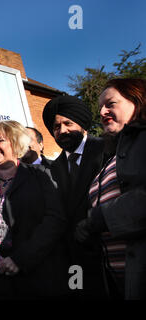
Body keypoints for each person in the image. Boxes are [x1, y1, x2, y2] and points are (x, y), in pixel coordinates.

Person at [0, 120, 68, 299]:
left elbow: (55, 220)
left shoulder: (40, 177)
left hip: (36, 275)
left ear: (16, 143)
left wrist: (20, 259)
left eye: (0, 140)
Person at [75, 78, 146, 300]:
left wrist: (100, 217)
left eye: (111, 104)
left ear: (137, 101)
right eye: (100, 108)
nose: (103, 112)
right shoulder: (110, 157)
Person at [42, 95, 107, 298]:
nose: (62, 131)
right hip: (75, 260)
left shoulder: (107, 149)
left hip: (112, 253)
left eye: (68, 123)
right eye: (56, 127)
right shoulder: (53, 168)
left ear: (82, 124)